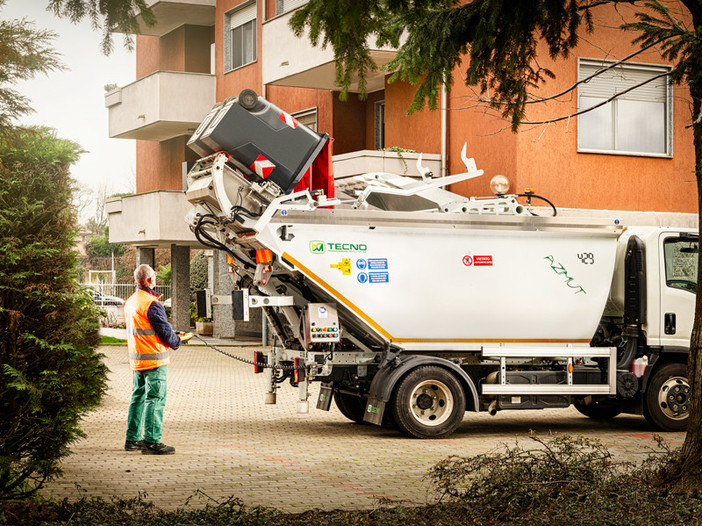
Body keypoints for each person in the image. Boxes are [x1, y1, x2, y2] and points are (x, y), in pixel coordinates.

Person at [123, 264, 191, 455]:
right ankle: (152, 442)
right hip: (155, 361)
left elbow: (147, 328)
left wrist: (173, 334)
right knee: (155, 399)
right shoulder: (152, 303)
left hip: (137, 359)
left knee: (137, 397)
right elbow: (164, 333)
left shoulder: (131, 301)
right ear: (151, 280)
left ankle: (132, 440)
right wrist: (178, 341)